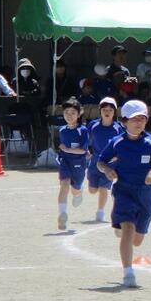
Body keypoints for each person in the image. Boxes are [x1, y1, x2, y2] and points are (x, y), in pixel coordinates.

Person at [97, 99, 151, 289]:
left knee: (137, 240)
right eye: (135, 119)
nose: (139, 122)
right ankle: (128, 273)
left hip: (145, 194)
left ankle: (124, 231)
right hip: (124, 191)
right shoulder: (116, 142)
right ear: (125, 121)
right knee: (128, 229)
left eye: (143, 118)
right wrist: (107, 170)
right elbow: (101, 162)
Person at [86, 97, 125, 222]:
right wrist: (87, 150)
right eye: (104, 110)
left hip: (110, 164)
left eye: (110, 110)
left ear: (114, 112)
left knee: (103, 188)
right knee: (92, 190)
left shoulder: (118, 128)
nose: (107, 112)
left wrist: (118, 156)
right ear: (100, 111)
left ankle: (100, 212)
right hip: (95, 162)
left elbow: (123, 144)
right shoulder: (93, 125)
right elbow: (86, 140)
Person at [56, 97, 89, 231]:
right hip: (65, 161)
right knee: (64, 184)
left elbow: (83, 150)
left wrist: (67, 149)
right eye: (66, 113)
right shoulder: (62, 130)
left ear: (79, 114)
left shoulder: (83, 130)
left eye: (73, 113)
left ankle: (78, 191)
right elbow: (63, 146)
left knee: (75, 188)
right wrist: (64, 151)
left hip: (78, 163)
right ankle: (62, 214)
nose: (69, 116)